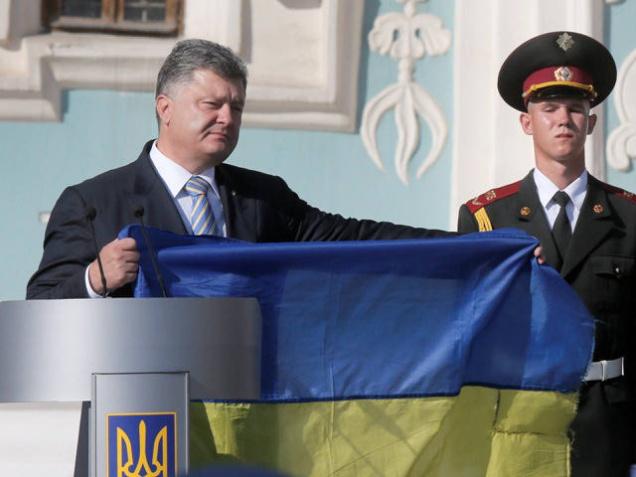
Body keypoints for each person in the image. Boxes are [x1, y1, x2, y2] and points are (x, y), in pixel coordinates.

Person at [27, 39, 451, 300]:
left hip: (245, 408)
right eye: (212, 105)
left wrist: (468, 247)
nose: (228, 118)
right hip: (138, 421)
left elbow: (357, 240)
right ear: (165, 108)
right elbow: (43, 307)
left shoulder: (263, 199)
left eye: (237, 107)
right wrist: (94, 279)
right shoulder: (93, 203)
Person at [457, 31, 635, 476]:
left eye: (576, 108)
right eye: (549, 108)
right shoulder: (486, 218)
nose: (563, 120)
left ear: (591, 122)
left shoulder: (629, 218)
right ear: (526, 122)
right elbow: (468, 327)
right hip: (520, 418)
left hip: (608, 422)